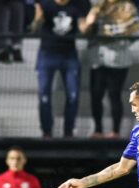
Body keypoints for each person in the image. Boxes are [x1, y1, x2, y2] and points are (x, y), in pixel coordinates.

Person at [31, 0, 92, 138]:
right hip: (47, 53)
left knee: (73, 96)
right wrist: (38, 18)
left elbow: (84, 29)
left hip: (69, 54)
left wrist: (90, 20)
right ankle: (46, 132)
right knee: (44, 95)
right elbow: (34, 28)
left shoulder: (78, 5)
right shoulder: (45, 5)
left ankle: (68, 132)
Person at [86, 0, 139, 139]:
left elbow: (138, 31)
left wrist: (115, 37)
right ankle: (98, 130)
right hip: (97, 58)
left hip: (119, 58)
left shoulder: (128, 7)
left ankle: (115, 132)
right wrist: (91, 21)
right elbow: (87, 30)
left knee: (114, 95)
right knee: (96, 95)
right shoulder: (97, 6)